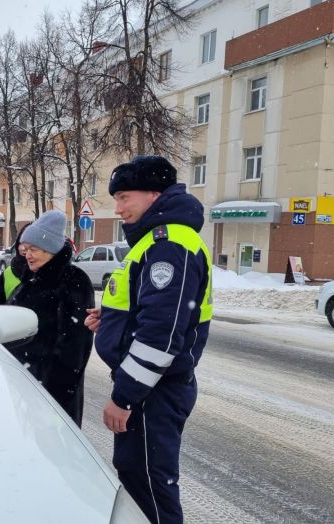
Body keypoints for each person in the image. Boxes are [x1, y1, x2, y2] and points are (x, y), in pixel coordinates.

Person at [83, 156, 212, 524]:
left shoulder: (169, 243)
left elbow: (161, 335)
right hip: (151, 388)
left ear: (155, 194)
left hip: (152, 391)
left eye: (124, 197)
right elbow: (152, 311)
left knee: (150, 487)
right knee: (138, 477)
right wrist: (112, 323)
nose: (118, 208)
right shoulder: (156, 239)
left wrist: (124, 397)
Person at [6, 210, 95, 426]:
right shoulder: (32, 278)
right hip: (24, 381)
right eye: (26, 249)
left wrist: (52, 393)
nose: (27, 255)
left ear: (52, 250)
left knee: (53, 451)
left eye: (34, 249)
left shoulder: (73, 281)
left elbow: (75, 346)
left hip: (50, 391)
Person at [0, 223, 31, 307]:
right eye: (21, 243)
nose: (23, 248)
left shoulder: (46, 274)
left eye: (29, 244)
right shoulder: (8, 272)